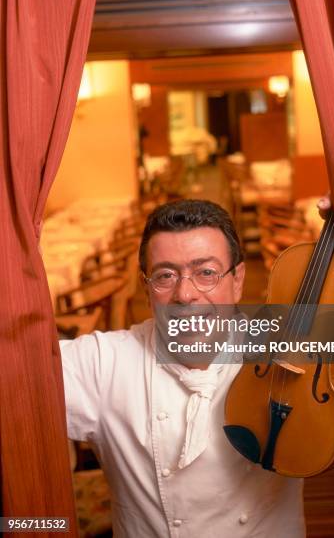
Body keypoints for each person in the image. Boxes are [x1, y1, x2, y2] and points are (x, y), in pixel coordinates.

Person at [61, 199, 317, 537]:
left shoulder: (286, 352)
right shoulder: (105, 363)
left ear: (237, 280)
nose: (185, 293)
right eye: (165, 275)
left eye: (206, 273)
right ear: (147, 289)